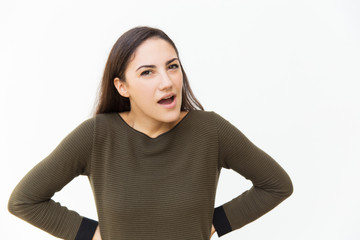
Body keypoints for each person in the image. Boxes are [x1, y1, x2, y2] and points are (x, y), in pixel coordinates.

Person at [8, 26, 293, 240]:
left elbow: (276, 185)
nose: (167, 82)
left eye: (172, 67)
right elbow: (25, 200)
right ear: (122, 86)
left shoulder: (210, 131)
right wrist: (94, 234)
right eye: (148, 72)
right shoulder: (97, 136)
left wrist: (216, 222)